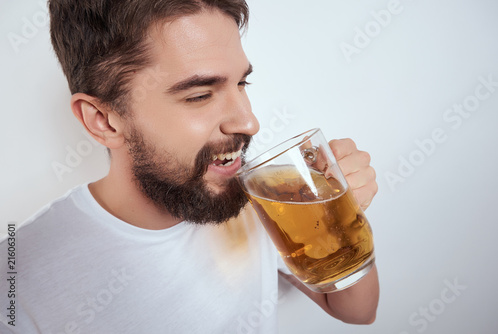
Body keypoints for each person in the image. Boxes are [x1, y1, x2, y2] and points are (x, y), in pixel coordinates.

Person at [0, 0, 379, 333]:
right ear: (103, 120)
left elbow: (357, 311)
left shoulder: (263, 195)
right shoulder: (15, 284)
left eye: (242, 83)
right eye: (200, 94)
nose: (249, 123)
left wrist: (340, 217)